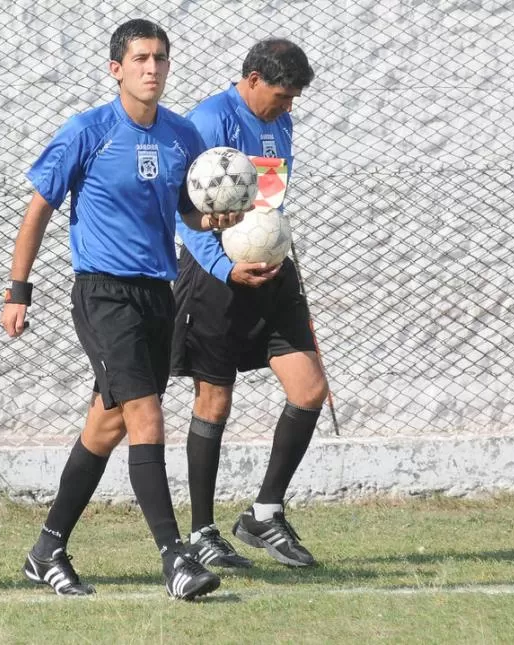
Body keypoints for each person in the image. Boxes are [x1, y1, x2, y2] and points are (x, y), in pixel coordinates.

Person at [1, 19, 245, 600]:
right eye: (140, 59)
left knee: (106, 426)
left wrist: (215, 219)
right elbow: (38, 209)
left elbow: (188, 212)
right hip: (102, 293)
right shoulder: (87, 132)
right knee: (146, 415)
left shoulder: (182, 136)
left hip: (156, 294)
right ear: (117, 68)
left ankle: (47, 549)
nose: (152, 68)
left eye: (160, 58)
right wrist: (18, 289)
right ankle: (175, 557)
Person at [172, 39, 325, 569]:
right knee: (214, 401)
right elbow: (182, 214)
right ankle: (202, 533)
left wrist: (275, 257)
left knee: (309, 389)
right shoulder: (209, 122)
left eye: (293, 99)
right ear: (253, 79)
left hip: (272, 268)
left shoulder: (280, 122)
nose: (288, 107)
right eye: (282, 95)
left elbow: (268, 206)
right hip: (215, 274)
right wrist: (224, 266)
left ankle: (264, 513)